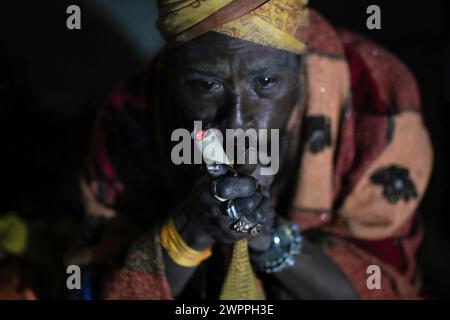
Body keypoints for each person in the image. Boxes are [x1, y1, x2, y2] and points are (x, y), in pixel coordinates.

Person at [71, 0, 433, 299]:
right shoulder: (133, 115)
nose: (236, 122)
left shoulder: (376, 95)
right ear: (173, 73)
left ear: (300, 68)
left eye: (265, 82)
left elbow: (381, 288)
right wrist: (191, 229)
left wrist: (266, 236)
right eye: (207, 85)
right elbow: (98, 286)